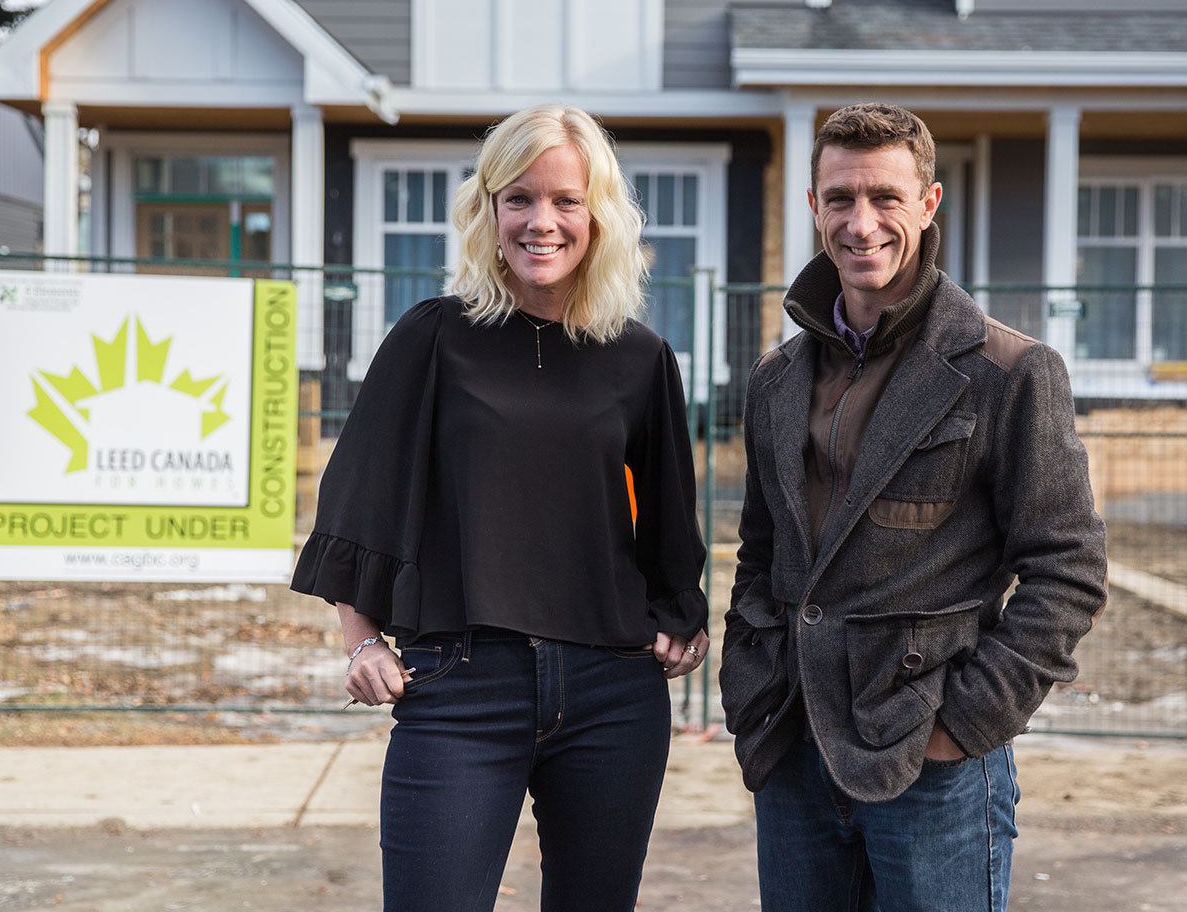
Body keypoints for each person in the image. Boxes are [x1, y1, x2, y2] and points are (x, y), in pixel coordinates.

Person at [291, 104, 709, 912]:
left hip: (612, 693)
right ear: (488, 211)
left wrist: (680, 616)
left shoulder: (640, 357)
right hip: (460, 685)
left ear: (600, 217)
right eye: (517, 198)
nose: (540, 221)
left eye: (566, 201)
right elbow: (358, 498)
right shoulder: (434, 337)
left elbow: (669, 521)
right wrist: (358, 641)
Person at [719, 103, 1107, 912]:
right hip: (793, 747)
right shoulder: (775, 379)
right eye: (840, 199)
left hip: (933, 759)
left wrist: (960, 728)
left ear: (929, 205)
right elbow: (761, 556)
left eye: (886, 198)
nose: (862, 224)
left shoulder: (1011, 372)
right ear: (814, 207)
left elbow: (1068, 571)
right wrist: (751, 683)